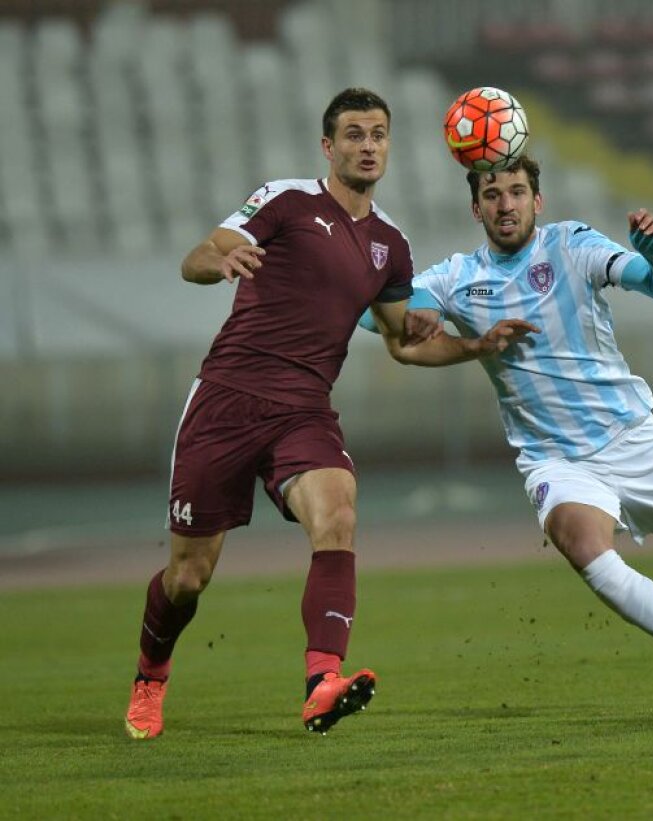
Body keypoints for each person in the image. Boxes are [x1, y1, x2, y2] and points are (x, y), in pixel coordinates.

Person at [124, 88, 532, 740]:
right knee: (188, 576)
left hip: (304, 409)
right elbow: (198, 254)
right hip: (227, 399)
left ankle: (321, 684)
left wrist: (474, 347)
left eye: (378, 134)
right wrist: (219, 260)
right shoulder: (287, 200)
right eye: (353, 134)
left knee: (338, 509)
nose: (367, 145)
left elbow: (402, 338)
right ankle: (151, 672)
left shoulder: (391, 246)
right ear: (328, 146)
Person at [360, 154, 653, 703]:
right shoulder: (457, 278)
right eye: (494, 195)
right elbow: (383, 319)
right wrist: (415, 311)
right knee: (581, 545)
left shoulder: (571, 244)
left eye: (518, 192)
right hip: (554, 457)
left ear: (537, 201)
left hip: (632, 437)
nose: (507, 204)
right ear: (475, 207)